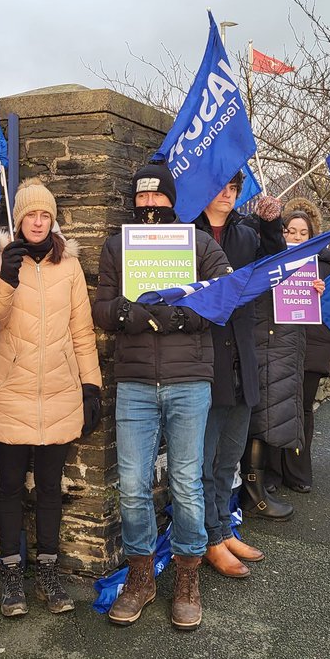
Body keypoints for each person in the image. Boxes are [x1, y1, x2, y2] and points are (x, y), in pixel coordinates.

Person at [92, 161, 231, 630]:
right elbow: (102, 306)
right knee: (131, 485)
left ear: (173, 200)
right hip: (134, 382)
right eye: (143, 197)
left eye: (158, 196)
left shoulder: (200, 244)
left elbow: (222, 297)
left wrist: (177, 317)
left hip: (189, 380)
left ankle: (188, 576)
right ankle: (140, 575)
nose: (149, 204)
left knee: (187, 483)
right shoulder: (117, 247)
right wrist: (131, 314)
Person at [0, 179, 102, 616]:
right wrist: (5, 280)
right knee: (11, 486)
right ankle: (12, 574)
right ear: (18, 219)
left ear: (53, 220)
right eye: (30, 214)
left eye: (45, 215)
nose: (37, 221)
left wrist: (91, 386)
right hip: (10, 388)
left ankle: (48, 573)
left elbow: (82, 330)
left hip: (58, 389)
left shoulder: (67, 266)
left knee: (50, 488)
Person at [192, 173, 284, 578]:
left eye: (233, 188)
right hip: (204, 358)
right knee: (203, 462)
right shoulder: (186, 234)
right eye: (221, 185)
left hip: (242, 358)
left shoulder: (247, 233)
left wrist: (270, 223)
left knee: (229, 458)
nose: (227, 194)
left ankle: (224, 529)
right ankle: (210, 538)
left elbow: (277, 263)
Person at [265, 201, 330, 493]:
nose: (295, 237)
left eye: (302, 233)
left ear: (311, 236)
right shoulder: (270, 263)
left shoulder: (323, 267)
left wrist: (323, 291)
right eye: (290, 231)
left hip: (310, 346)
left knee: (303, 409)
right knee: (274, 407)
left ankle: (297, 470)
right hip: (278, 345)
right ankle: (272, 472)